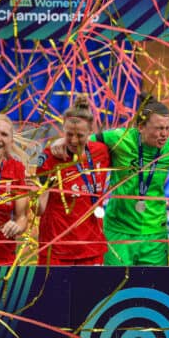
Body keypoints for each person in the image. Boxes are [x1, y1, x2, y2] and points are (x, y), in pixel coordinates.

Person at [53, 93, 169, 266]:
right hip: (118, 232)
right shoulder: (119, 138)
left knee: (151, 290)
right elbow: (82, 141)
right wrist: (60, 141)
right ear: (141, 127)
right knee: (115, 289)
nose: (164, 134)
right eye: (158, 129)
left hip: (154, 235)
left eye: (167, 128)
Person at [36, 96, 110, 265]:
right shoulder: (49, 157)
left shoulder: (102, 152)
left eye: (80, 135)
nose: (74, 140)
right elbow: (39, 208)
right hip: (56, 251)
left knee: (92, 292)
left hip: (92, 247)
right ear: (63, 129)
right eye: (69, 134)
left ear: (91, 132)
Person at [0, 114, 29, 265]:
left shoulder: (17, 170)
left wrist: (17, 226)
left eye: (4, 134)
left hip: (3, 261)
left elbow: (22, 217)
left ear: (10, 141)